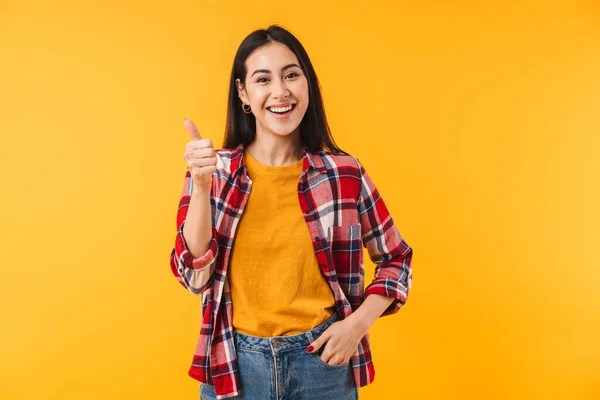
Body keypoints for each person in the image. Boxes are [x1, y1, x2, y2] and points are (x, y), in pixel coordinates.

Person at [169, 25, 413, 400]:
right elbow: (193, 278)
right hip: (235, 365)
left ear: (307, 85)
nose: (280, 92)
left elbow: (397, 260)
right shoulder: (212, 172)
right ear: (243, 93)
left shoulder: (344, 174)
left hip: (323, 366)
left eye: (291, 75)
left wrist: (356, 326)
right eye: (263, 79)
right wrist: (201, 186)